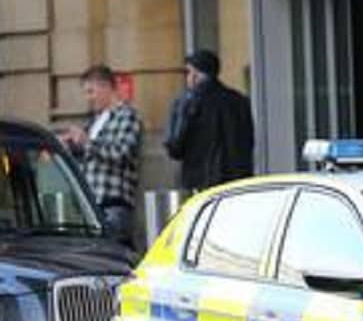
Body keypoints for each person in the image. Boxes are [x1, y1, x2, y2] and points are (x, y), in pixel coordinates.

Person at [58, 65, 143, 246]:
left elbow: (121, 153)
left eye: (91, 91)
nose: (89, 98)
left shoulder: (127, 115)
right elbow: (91, 157)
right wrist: (71, 145)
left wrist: (86, 141)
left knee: (116, 257)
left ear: (106, 87)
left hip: (113, 204)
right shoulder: (96, 120)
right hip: (93, 206)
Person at [164, 49, 254, 193]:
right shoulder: (239, 101)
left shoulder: (186, 102)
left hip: (199, 184)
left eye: (188, 72)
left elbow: (174, 146)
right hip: (236, 185)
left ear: (195, 75)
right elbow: (249, 142)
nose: (187, 78)